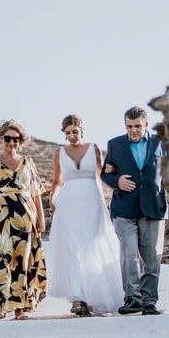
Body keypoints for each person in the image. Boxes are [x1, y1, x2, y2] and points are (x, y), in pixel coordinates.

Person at [48, 114, 124, 316]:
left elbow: (102, 176)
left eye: (75, 131)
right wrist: (52, 197)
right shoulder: (59, 153)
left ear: (81, 130)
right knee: (72, 248)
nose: (72, 135)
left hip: (92, 202)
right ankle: (77, 298)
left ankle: (93, 295)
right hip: (68, 204)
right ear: (64, 134)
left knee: (91, 246)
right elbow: (57, 181)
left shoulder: (94, 149)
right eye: (67, 133)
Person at [0, 120, 47, 319]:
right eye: (8, 138)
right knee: (1, 259)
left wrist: (41, 218)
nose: (12, 142)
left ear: (21, 141)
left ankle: (19, 309)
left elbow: (36, 193)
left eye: (16, 139)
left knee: (22, 262)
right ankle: (0, 306)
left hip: (25, 218)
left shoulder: (27, 163)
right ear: (1, 139)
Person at [101, 106, 166, 315]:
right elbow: (105, 173)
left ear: (146, 125)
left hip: (153, 207)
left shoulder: (160, 144)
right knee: (129, 255)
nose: (134, 130)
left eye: (138, 126)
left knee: (152, 258)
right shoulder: (115, 145)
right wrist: (117, 181)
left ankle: (149, 301)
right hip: (124, 209)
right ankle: (132, 299)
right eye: (129, 126)